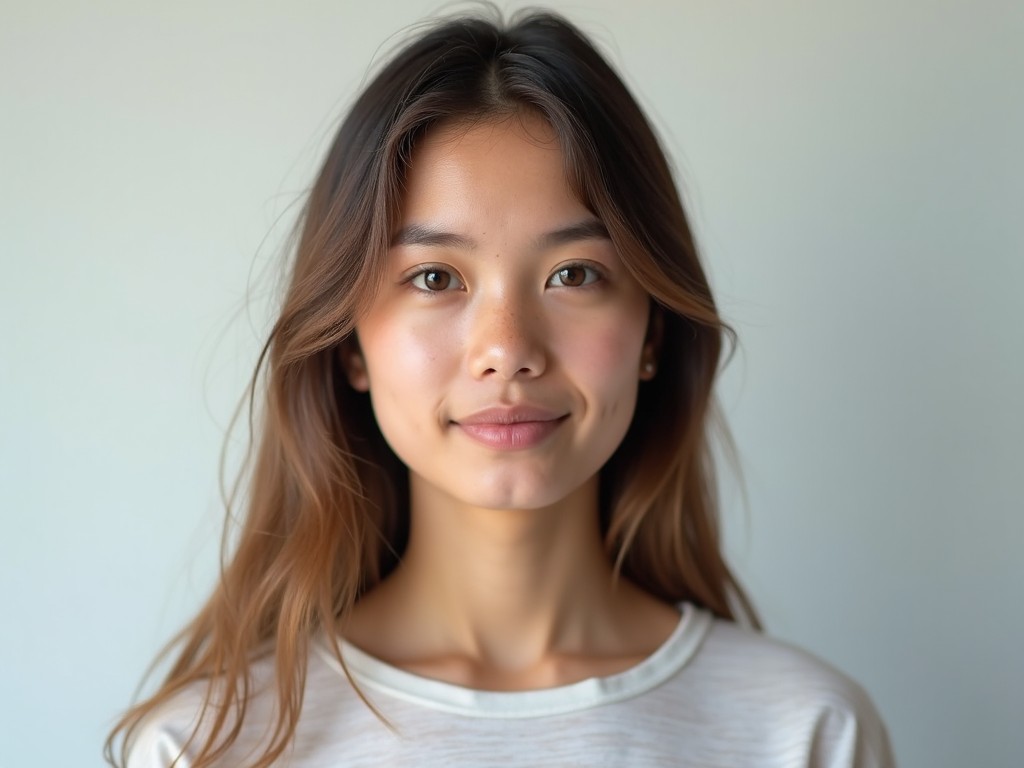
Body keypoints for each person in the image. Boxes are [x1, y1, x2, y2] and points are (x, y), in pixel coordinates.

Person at [107, 9, 894, 768]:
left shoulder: (805, 734)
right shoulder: (209, 749)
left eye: (574, 274)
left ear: (653, 333)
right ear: (350, 345)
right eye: (435, 277)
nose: (508, 351)